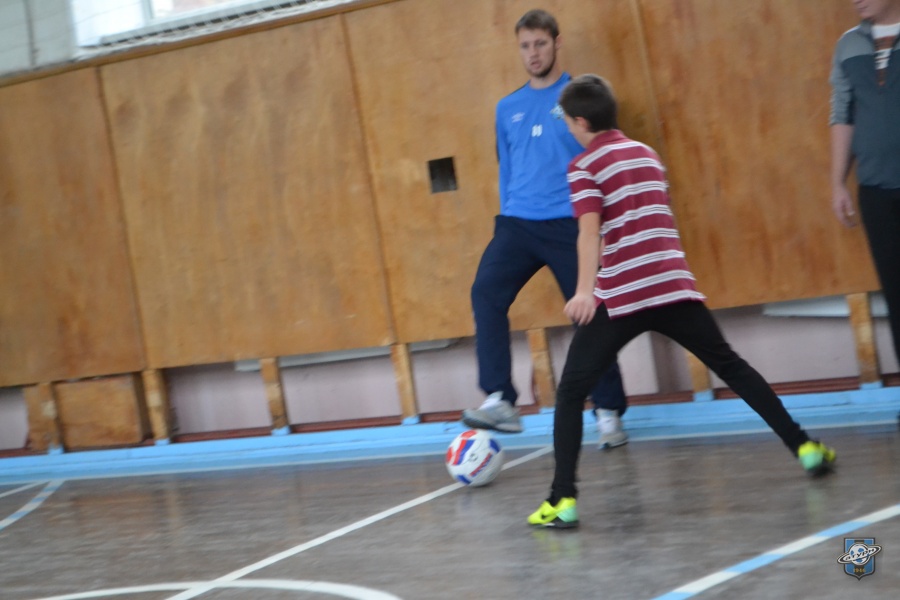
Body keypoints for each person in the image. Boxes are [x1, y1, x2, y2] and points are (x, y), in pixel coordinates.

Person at [527, 75, 837, 529]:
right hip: (672, 285)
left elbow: (590, 232)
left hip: (622, 295)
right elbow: (646, 218)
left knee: (572, 391)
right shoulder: (647, 154)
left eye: (569, 123)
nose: (570, 130)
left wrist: (583, 291)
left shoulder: (584, 166)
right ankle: (805, 446)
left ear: (581, 122)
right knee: (731, 366)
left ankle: (562, 500)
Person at [462, 9, 628, 448]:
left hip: (569, 223)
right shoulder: (507, 108)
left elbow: (606, 159)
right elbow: (506, 166)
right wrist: (506, 215)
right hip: (517, 223)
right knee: (485, 292)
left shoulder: (579, 100)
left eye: (540, 43)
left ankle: (608, 410)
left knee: (589, 312)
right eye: (525, 46)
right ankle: (500, 399)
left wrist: (604, 225)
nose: (533, 53)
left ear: (556, 43)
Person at [830, 0, 900, 407]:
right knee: (896, 296)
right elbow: (842, 113)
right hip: (875, 190)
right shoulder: (849, 45)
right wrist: (837, 182)